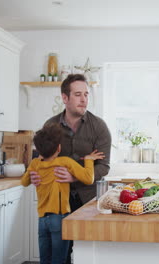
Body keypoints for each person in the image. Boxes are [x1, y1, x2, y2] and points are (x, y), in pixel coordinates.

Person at [30, 73, 112, 263]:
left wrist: (75, 177)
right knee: (59, 254)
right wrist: (35, 175)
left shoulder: (99, 127)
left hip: (89, 200)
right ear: (65, 98)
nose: (84, 100)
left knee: (88, 252)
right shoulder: (50, 125)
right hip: (58, 201)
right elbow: (41, 159)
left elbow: (104, 166)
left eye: (86, 94)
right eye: (78, 94)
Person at [21, 123, 105, 264]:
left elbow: (24, 182)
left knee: (45, 259)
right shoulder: (64, 162)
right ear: (59, 148)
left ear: (39, 149)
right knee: (59, 259)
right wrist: (89, 160)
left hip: (42, 220)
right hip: (59, 219)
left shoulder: (35, 164)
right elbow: (88, 178)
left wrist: (31, 174)